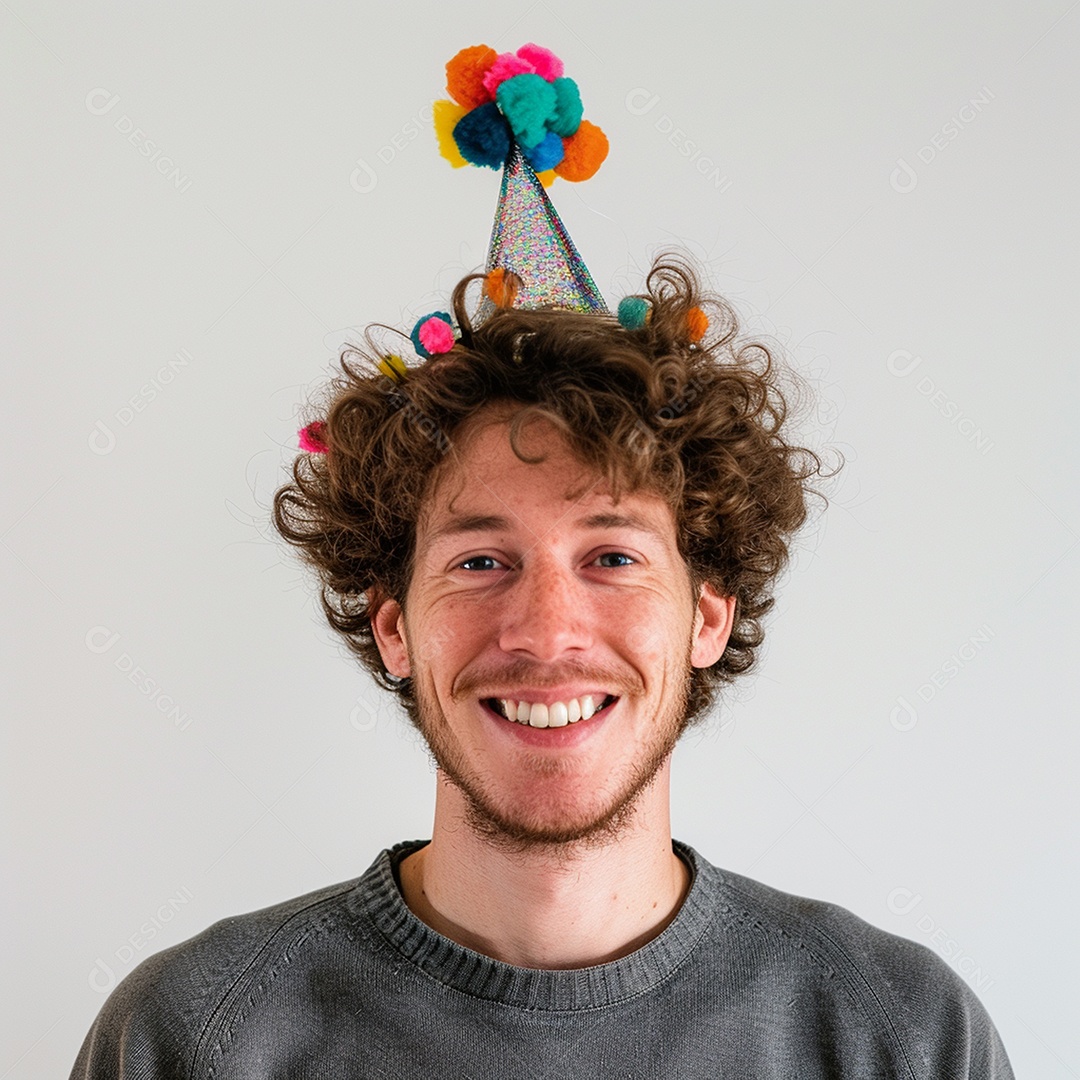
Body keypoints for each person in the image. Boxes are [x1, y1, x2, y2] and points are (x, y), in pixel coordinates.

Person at [69, 40, 1015, 1079]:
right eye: (480, 562)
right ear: (393, 623)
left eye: (610, 555)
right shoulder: (194, 1037)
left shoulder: (902, 1036)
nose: (547, 631)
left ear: (707, 614)